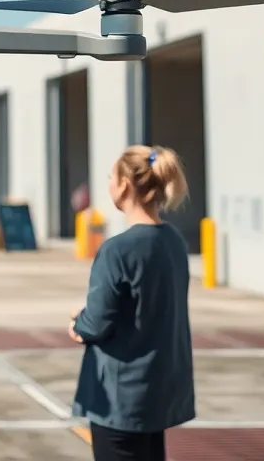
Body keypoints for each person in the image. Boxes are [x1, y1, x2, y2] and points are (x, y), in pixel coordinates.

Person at [68, 144, 197, 461]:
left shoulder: (118, 250)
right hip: (159, 391)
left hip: (120, 397)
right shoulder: (174, 242)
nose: (109, 183)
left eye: (111, 176)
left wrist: (78, 324)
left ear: (125, 184)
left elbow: (98, 321)